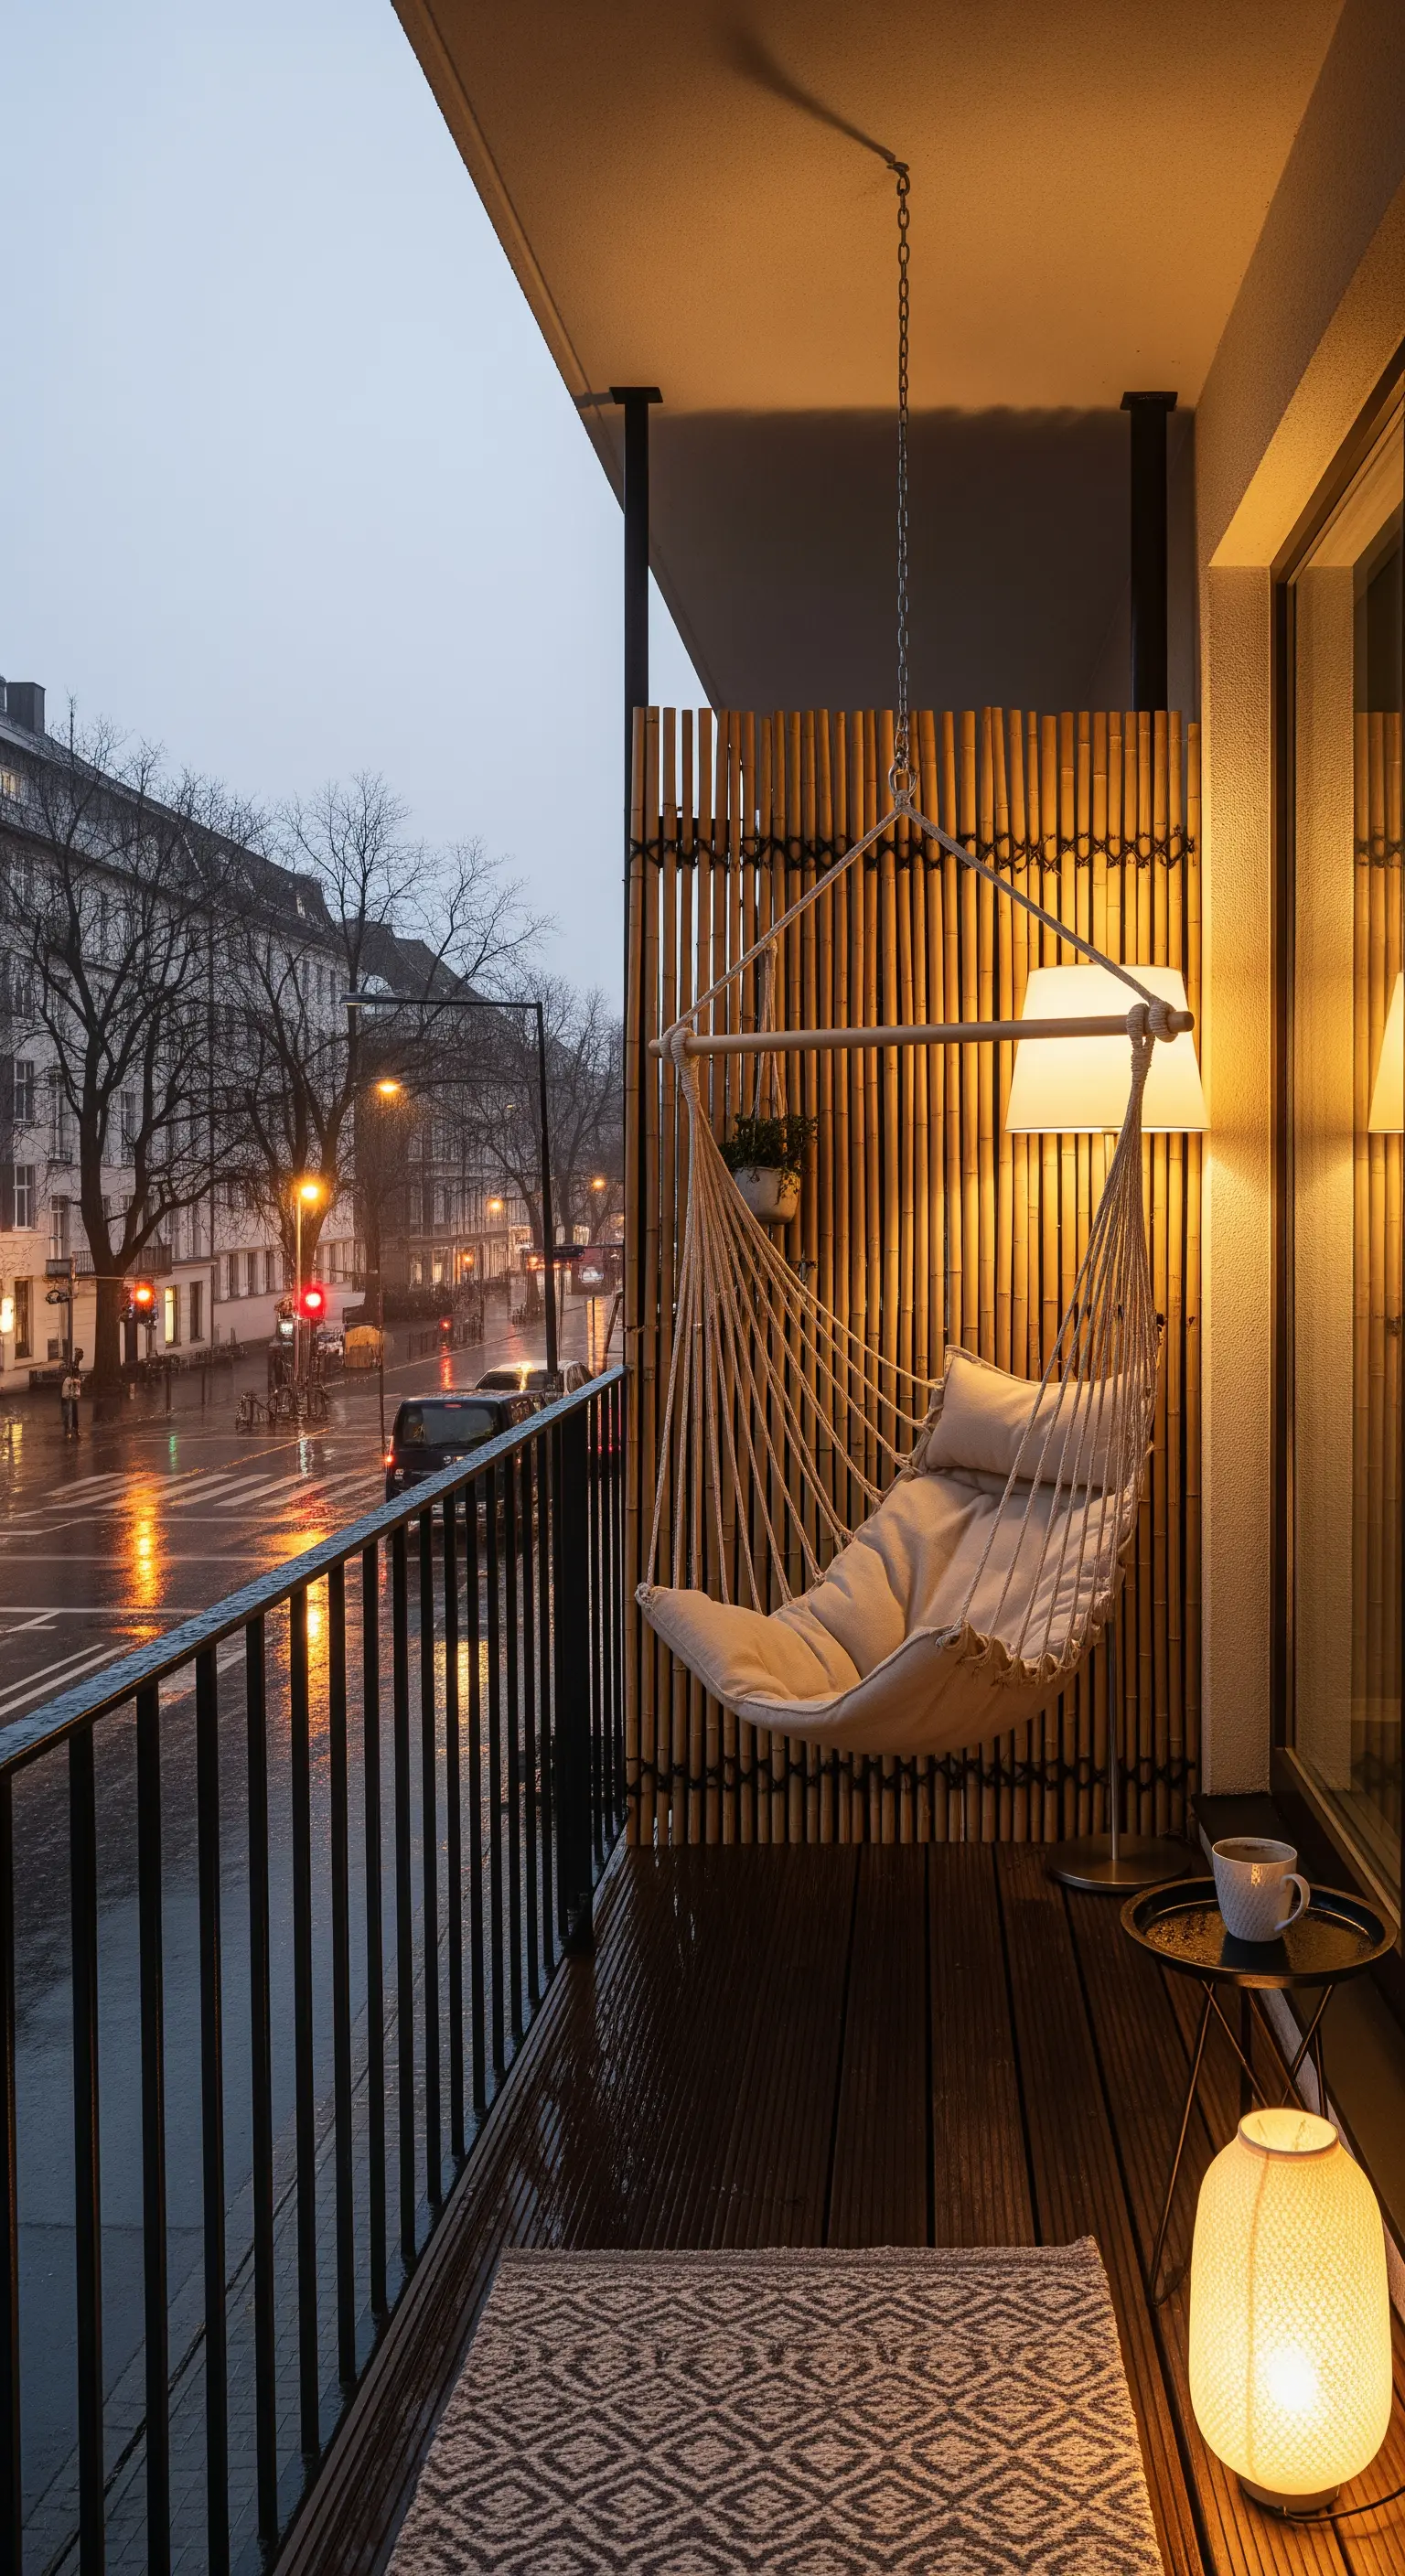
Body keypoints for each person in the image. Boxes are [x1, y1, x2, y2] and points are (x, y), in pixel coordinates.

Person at [60, 1350, 83, 1438]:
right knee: (67, 1412)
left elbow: (77, 1389)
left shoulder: (75, 1380)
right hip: (67, 1397)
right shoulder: (68, 1380)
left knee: (73, 1412)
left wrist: (75, 1395)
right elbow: (66, 1390)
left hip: (71, 1397)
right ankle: (68, 1429)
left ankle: (74, 1428)